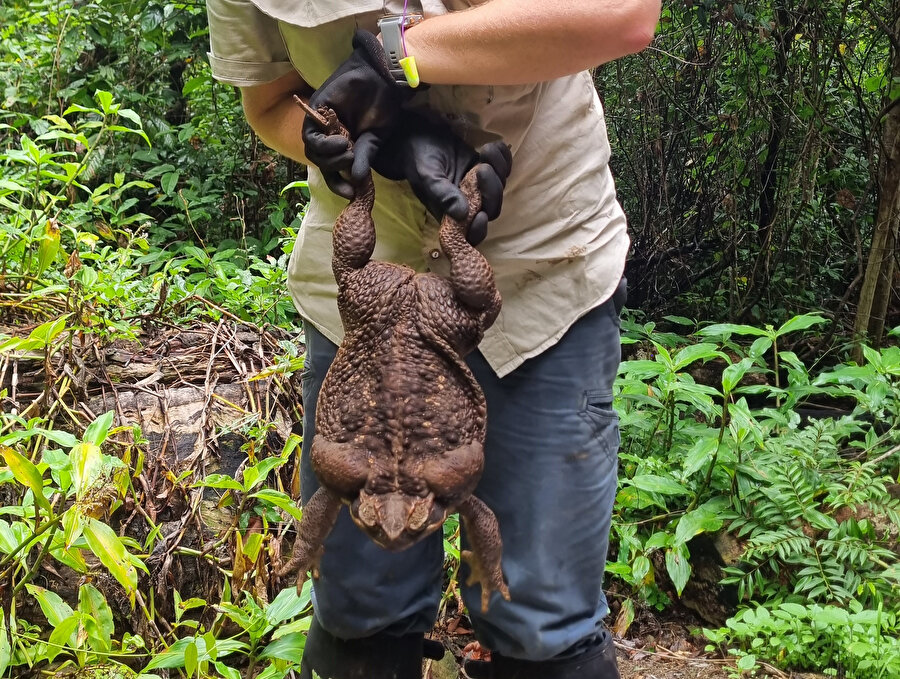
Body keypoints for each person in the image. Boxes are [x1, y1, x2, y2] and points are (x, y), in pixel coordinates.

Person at [205, 2, 660, 678]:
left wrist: (395, 57)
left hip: (538, 270)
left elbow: (623, 15)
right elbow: (269, 102)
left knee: (543, 622)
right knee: (358, 610)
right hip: (363, 297)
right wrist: (332, 140)